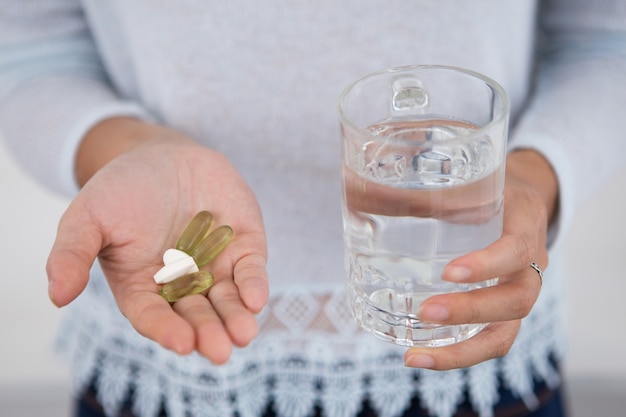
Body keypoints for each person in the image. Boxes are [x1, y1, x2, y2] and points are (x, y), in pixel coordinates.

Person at [1, 1, 625, 416]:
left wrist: (534, 178)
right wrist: (130, 147)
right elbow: (31, 51)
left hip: (480, 365)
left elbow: (606, 38)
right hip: (169, 363)